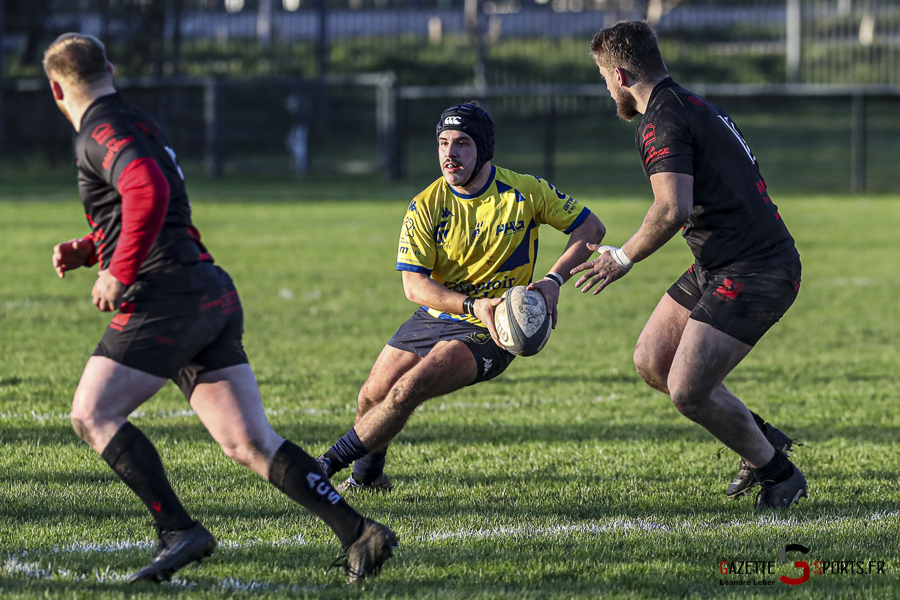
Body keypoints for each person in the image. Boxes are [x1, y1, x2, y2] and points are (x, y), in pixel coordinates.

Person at [43, 33, 396, 583]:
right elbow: (153, 200)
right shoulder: (136, 121)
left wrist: (119, 269)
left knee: (93, 413)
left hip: (167, 296)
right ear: (109, 68)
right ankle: (360, 533)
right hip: (207, 289)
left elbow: (147, 189)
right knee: (248, 441)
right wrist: (94, 249)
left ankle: (178, 530)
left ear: (56, 89)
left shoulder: (100, 131)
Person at [573, 21, 806, 508]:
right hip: (719, 262)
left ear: (619, 74)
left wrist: (623, 255)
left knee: (686, 389)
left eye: (601, 77)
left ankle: (779, 475)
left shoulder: (661, 119)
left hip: (755, 267)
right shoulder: (691, 104)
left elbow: (671, 208)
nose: (605, 87)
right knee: (652, 360)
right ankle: (760, 441)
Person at [316, 102, 606, 491]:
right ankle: (368, 479)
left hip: (496, 325)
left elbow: (591, 227)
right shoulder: (425, 205)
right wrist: (471, 305)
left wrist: (554, 280)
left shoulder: (523, 192)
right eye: (443, 143)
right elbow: (414, 286)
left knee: (408, 388)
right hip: (441, 314)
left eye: (462, 144)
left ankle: (322, 466)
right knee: (371, 394)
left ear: (483, 149)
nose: (450, 154)